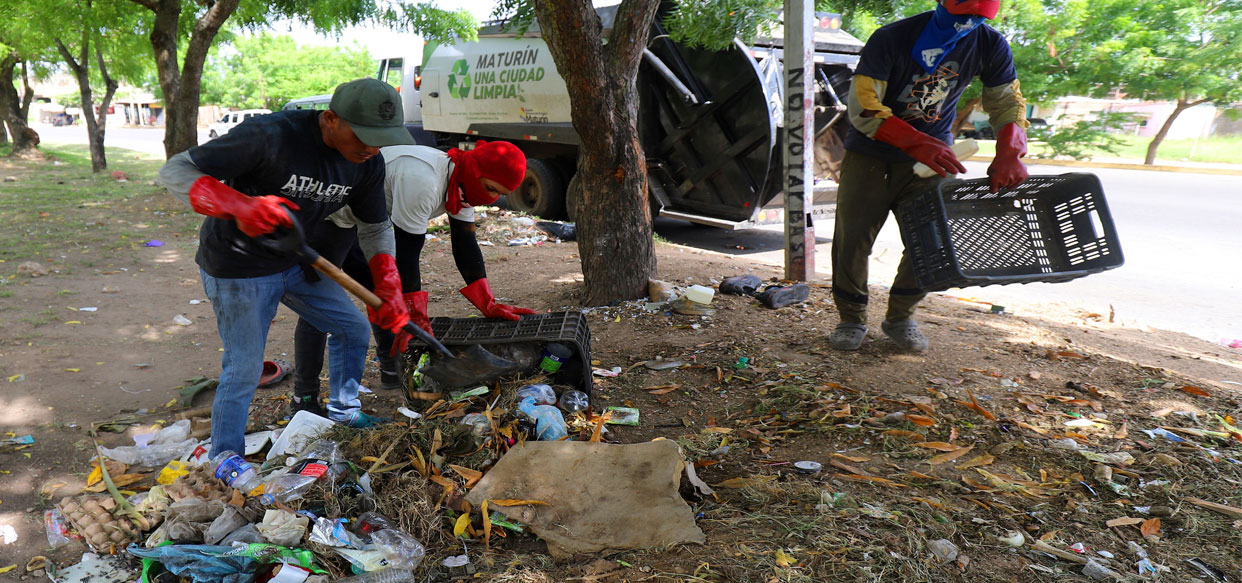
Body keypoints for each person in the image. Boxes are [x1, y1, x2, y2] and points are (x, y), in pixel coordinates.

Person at [158, 78, 415, 458]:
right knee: (244, 367)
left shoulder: (368, 163)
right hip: (236, 267)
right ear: (331, 119)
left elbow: (375, 227)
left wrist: (390, 289)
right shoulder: (269, 135)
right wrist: (238, 206)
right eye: (362, 136)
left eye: (380, 138)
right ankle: (225, 457)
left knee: (353, 328)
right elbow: (176, 170)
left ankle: (344, 413)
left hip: (294, 260)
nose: (372, 147)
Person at [828, 0, 1029, 353]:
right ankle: (851, 318)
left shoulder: (989, 43)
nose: (967, 24)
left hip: (936, 157)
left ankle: (901, 316)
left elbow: (1005, 101)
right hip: (872, 155)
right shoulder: (892, 37)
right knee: (853, 239)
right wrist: (915, 141)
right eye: (961, 15)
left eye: (977, 18)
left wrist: (1010, 152)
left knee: (931, 241)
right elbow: (862, 107)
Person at [290, 140, 537, 414]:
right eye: (490, 188)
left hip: (367, 222)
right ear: (475, 170)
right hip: (331, 216)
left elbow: (464, 243)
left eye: (498, 194)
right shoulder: (424, 181)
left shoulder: (462, 183)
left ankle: (390, 367)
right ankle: (305, 398)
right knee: (319, 305)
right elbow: (407, 254)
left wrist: (487, 302)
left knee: (382, 294)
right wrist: (415, 313)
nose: (489, 198)